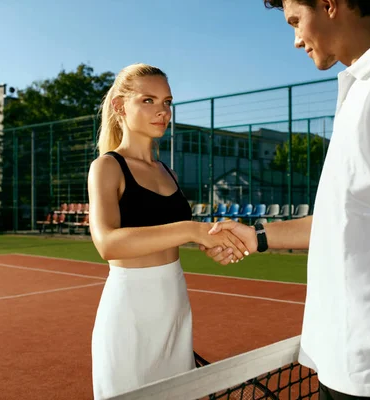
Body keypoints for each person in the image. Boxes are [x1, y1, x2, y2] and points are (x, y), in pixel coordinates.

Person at [200, 1, 370, 399]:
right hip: (342, 364)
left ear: (329, 5)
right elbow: (340, 220)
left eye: (295, 21)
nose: (295, 40)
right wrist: (255, 236)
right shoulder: (358, 87)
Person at [87, 63, 250, 400]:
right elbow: (107, 243)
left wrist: (213, 245)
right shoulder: (107, 166)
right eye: (148, 100)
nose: (162, 111)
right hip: (129, 310)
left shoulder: (169, 172)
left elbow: (171, 241)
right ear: (120, 106)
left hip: (174, 304)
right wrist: (191, 229)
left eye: (167, 101)